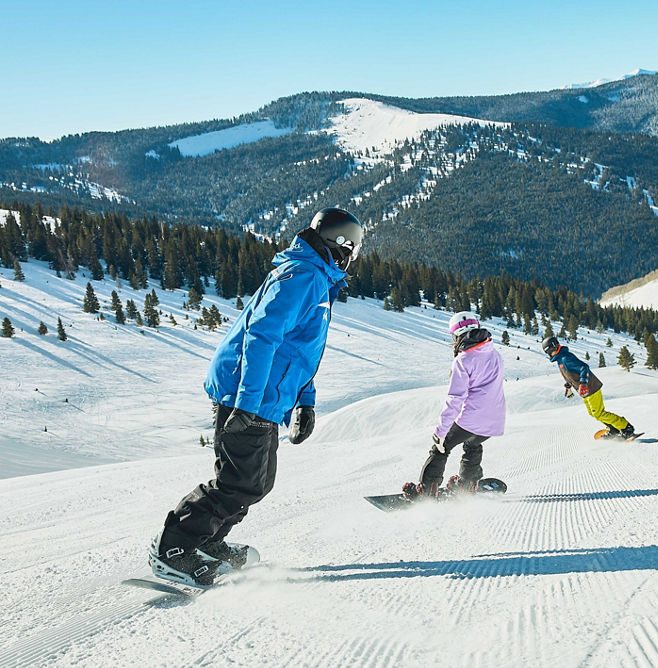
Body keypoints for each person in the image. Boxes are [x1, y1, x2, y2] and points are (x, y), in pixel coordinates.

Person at [149, 208, 363, 586]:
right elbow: (261, 336)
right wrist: (247, 404)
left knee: (257, 481)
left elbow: (300, 350)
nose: (354, 259)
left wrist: (305, 399)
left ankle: (207, 543)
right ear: (342, 247)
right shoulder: (304, 277)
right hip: (248, 391)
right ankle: (175, 547)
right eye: (355, 250)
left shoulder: (315, 277)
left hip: (266, 394)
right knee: (239, 480)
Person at [403, 311, 506, 499]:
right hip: (494, 420)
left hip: (472, 418)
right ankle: (468, 484)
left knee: (442, 448)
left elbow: (455, 398)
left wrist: (440, 432)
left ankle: (427, 490)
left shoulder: (464, 360)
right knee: (473, 444)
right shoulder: (495, 353)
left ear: (457, 335)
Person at [543, 336, 636, 439]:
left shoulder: (565, 358)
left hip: (590, 387)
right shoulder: (560, 360)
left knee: (599, 413)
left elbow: (584, 367)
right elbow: (569, 373)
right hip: (583, 390)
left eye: (549, 352)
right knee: (593, 413)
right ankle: (614, 429)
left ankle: (626, 428)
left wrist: (583, 383)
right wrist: (568, 386)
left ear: (553, 348)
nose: (549, 355)